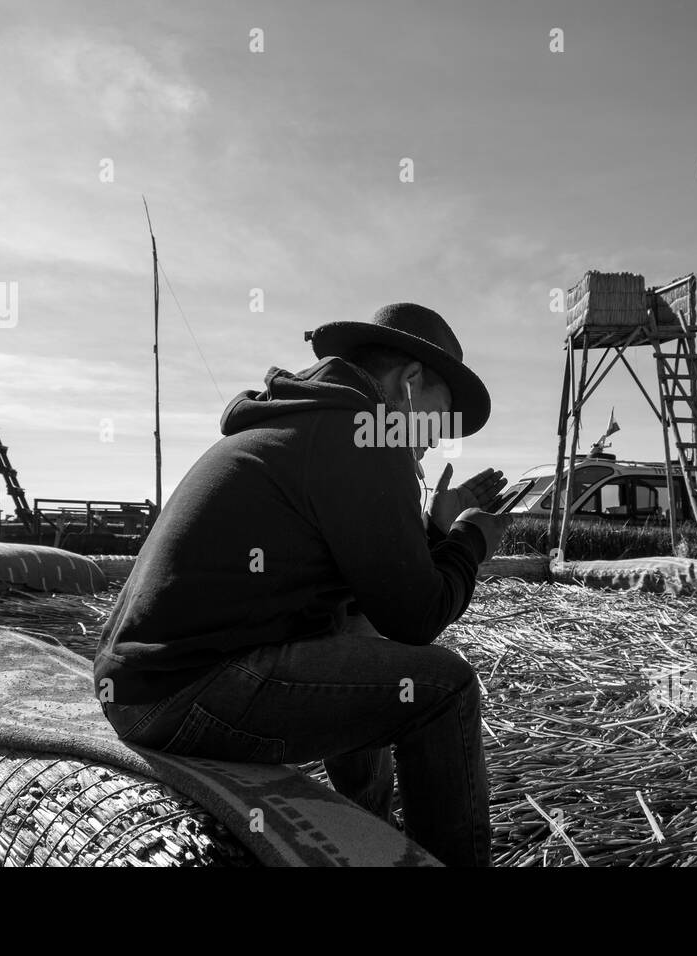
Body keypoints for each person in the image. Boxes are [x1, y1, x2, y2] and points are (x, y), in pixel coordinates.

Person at [94, 302, 510, 866]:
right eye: (442, 416)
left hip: (143, 682)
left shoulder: (317, 423)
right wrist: (471, 541)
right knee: (445, 691)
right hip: (179, 693)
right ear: (410, 385)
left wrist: (436, 528)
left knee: (356, 632)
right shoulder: (363, 435)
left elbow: (380, 598)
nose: (440, 439)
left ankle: (373, 833)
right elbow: (418, 617)